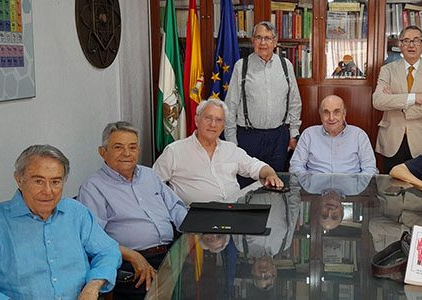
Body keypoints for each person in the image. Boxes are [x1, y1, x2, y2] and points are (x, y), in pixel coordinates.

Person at [0, 145, 121, 299]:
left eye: (55, 181)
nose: (48, 191)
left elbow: (108, 251)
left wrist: (93, 285)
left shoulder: (76, 213)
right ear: (19, 179)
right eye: (38, 181)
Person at [77, 121, 188, 299]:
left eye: (132, 147)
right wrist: (133, 257)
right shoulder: (93, 187)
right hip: (130, 265)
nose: (127, 153)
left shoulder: (149, 175)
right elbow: (93, 239)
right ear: (103, 152)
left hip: (171, 255)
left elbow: (176, 209)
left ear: (138, 150)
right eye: (118, 147)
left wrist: (197, 232)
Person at [154, 99, 284, 205]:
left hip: (233, 215)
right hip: (194, 219)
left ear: (223, 126)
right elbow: (151, 185)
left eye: (218, 120)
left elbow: (257, 167)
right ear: (196, 120)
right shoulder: (175, 151)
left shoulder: (231, 149)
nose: (213, 124)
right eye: (208, 118)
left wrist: (270, 174)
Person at [225, 21, 302, 181]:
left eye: (267, 38)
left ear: (275, 42)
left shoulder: (285, 65)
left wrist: (293, 133)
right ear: (252, 40)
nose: (263, 43)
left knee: (275, 185)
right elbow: (230, 107)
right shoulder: (241, 66)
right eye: (259, 37)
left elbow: (294, 102)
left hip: (278, 138)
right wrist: (232, 143)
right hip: (248, 138)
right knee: (246, 187)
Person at [372, 25, 422, 173]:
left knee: (421, 190)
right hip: (392, 141)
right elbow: (378, 101)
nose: (411, 45)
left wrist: (396, 101)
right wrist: (414, 98)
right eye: (406, 40)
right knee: (390, 189)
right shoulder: (387, 70)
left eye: (416, 40)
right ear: (400, 45)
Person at [289, 95, 377, 175]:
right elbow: (296, 166)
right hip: (315, 189)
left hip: (350, 190)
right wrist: (309, 184)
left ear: (344, 114)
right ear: (320, 115)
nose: (331, 118)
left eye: (336, 112)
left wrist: (356, 188)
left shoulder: (359, 135)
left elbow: (369, 169)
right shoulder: (308, 135)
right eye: (326, 112)